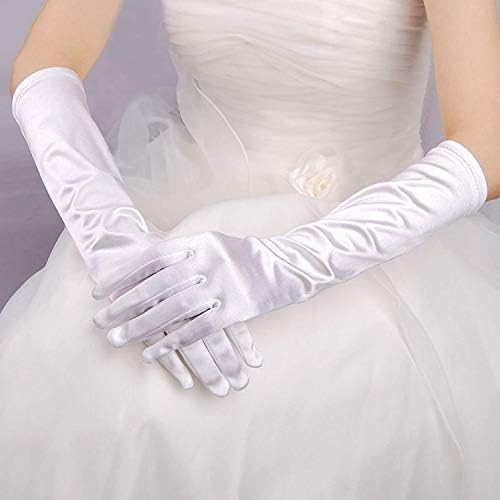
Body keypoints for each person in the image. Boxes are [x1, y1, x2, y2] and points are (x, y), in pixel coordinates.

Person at [2, 0, 500, 498]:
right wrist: (107, 231)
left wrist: (281, 266)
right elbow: (48, 60)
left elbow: (488, 143)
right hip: (179, 209)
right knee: (103, 389)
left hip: (371, 237)